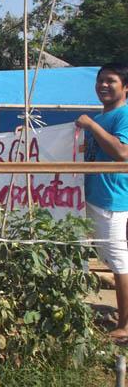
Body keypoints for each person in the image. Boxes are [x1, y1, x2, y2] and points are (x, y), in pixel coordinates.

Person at [75, 62, 128, 340]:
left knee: (119, 261)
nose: (103, 86)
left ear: (125, 87)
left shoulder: (124, 115)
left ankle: (125, 325)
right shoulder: (104, 117)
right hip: (92, 195)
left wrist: (92, 125)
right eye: (100, 81)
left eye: (111, 81)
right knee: (107, 258)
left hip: (111, 198)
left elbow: (122, 152)